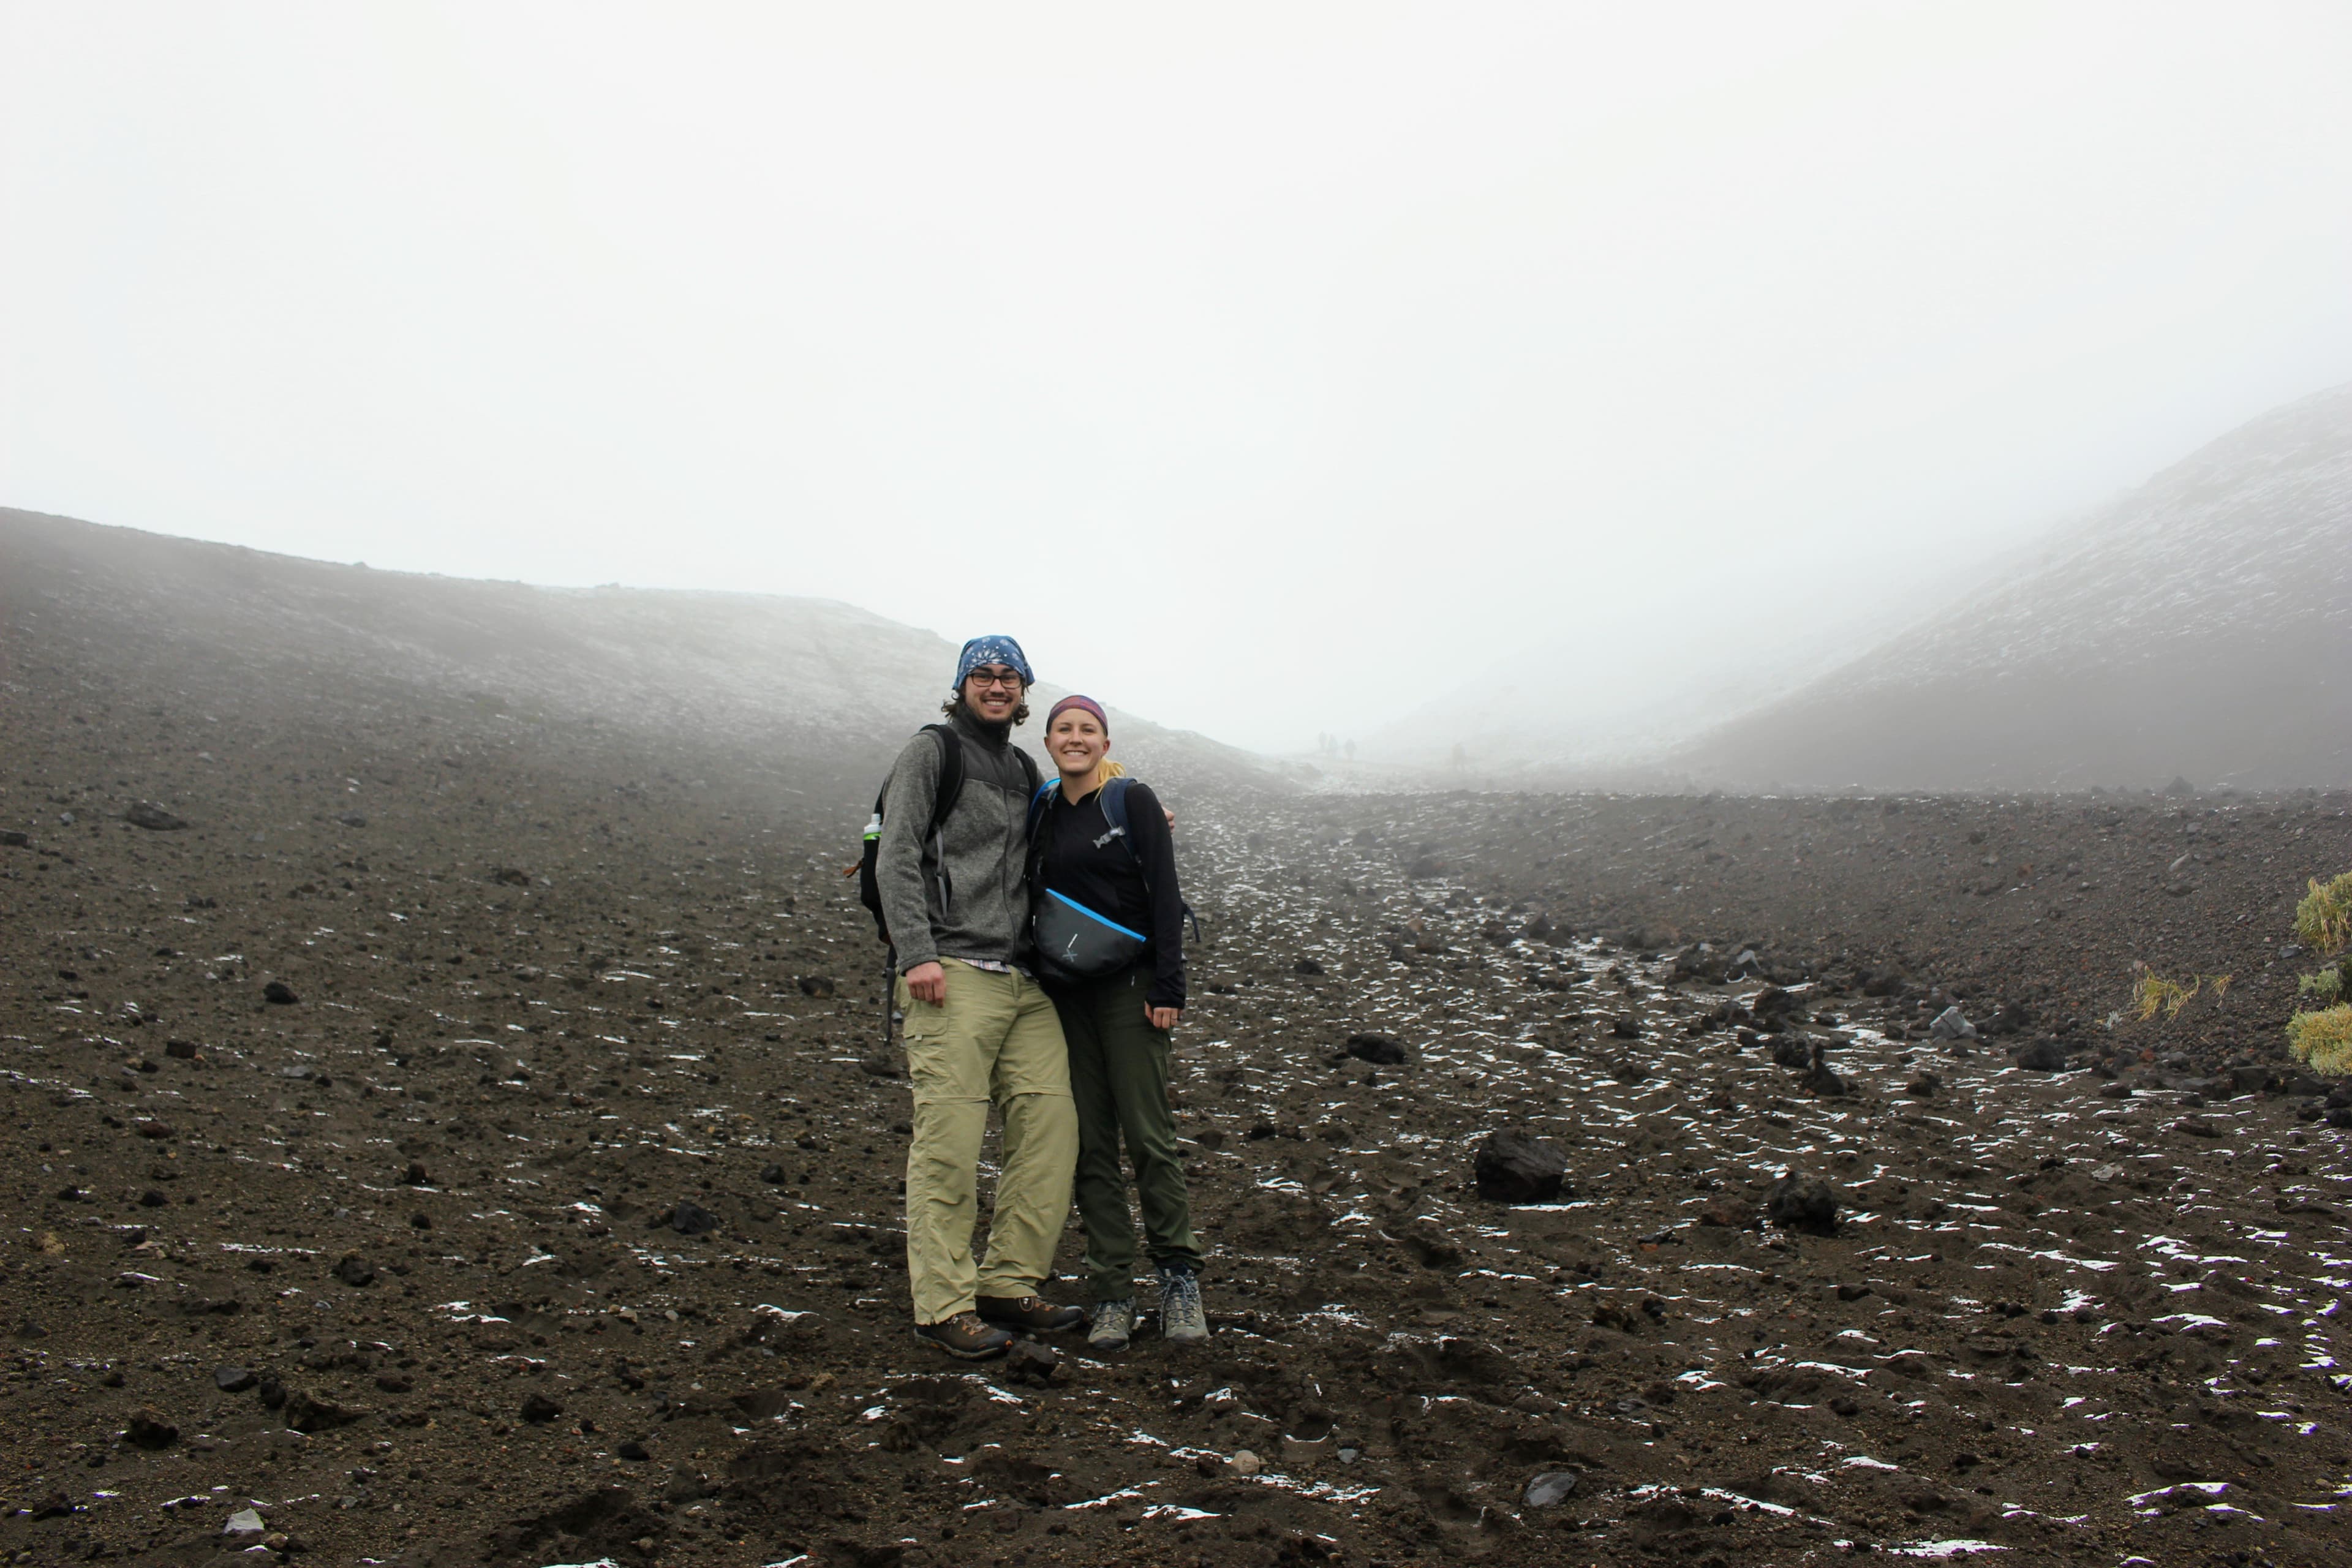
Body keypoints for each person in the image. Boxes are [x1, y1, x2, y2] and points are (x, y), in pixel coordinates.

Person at [875, 636, 1085, 1359]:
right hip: (950, 972)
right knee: (950, 1145)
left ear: (1024, 691)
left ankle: (1008, 1282)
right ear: (961, 684)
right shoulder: (934, 752)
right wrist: (917, 954)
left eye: (1009, 677)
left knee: (1051, 1127)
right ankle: (942, 1304)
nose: (996, 686)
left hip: (1021, 978)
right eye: (983, 675)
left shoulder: (1022, 765)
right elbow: (896, 852)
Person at [1028, 695, 1208, 1349]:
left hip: (1132, 990)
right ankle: (1111, 1290)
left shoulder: (1131, 801)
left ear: (1105, 742)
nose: (1076, 738)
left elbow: (1166, 891)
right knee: (1091, 1145)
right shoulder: (1042, 807)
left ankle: (1179, 1278)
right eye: (1064, 728)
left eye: (1088, 730)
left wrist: (1169, 985)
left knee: (1148, 1137)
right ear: (1048, 738)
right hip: (1066, 994)